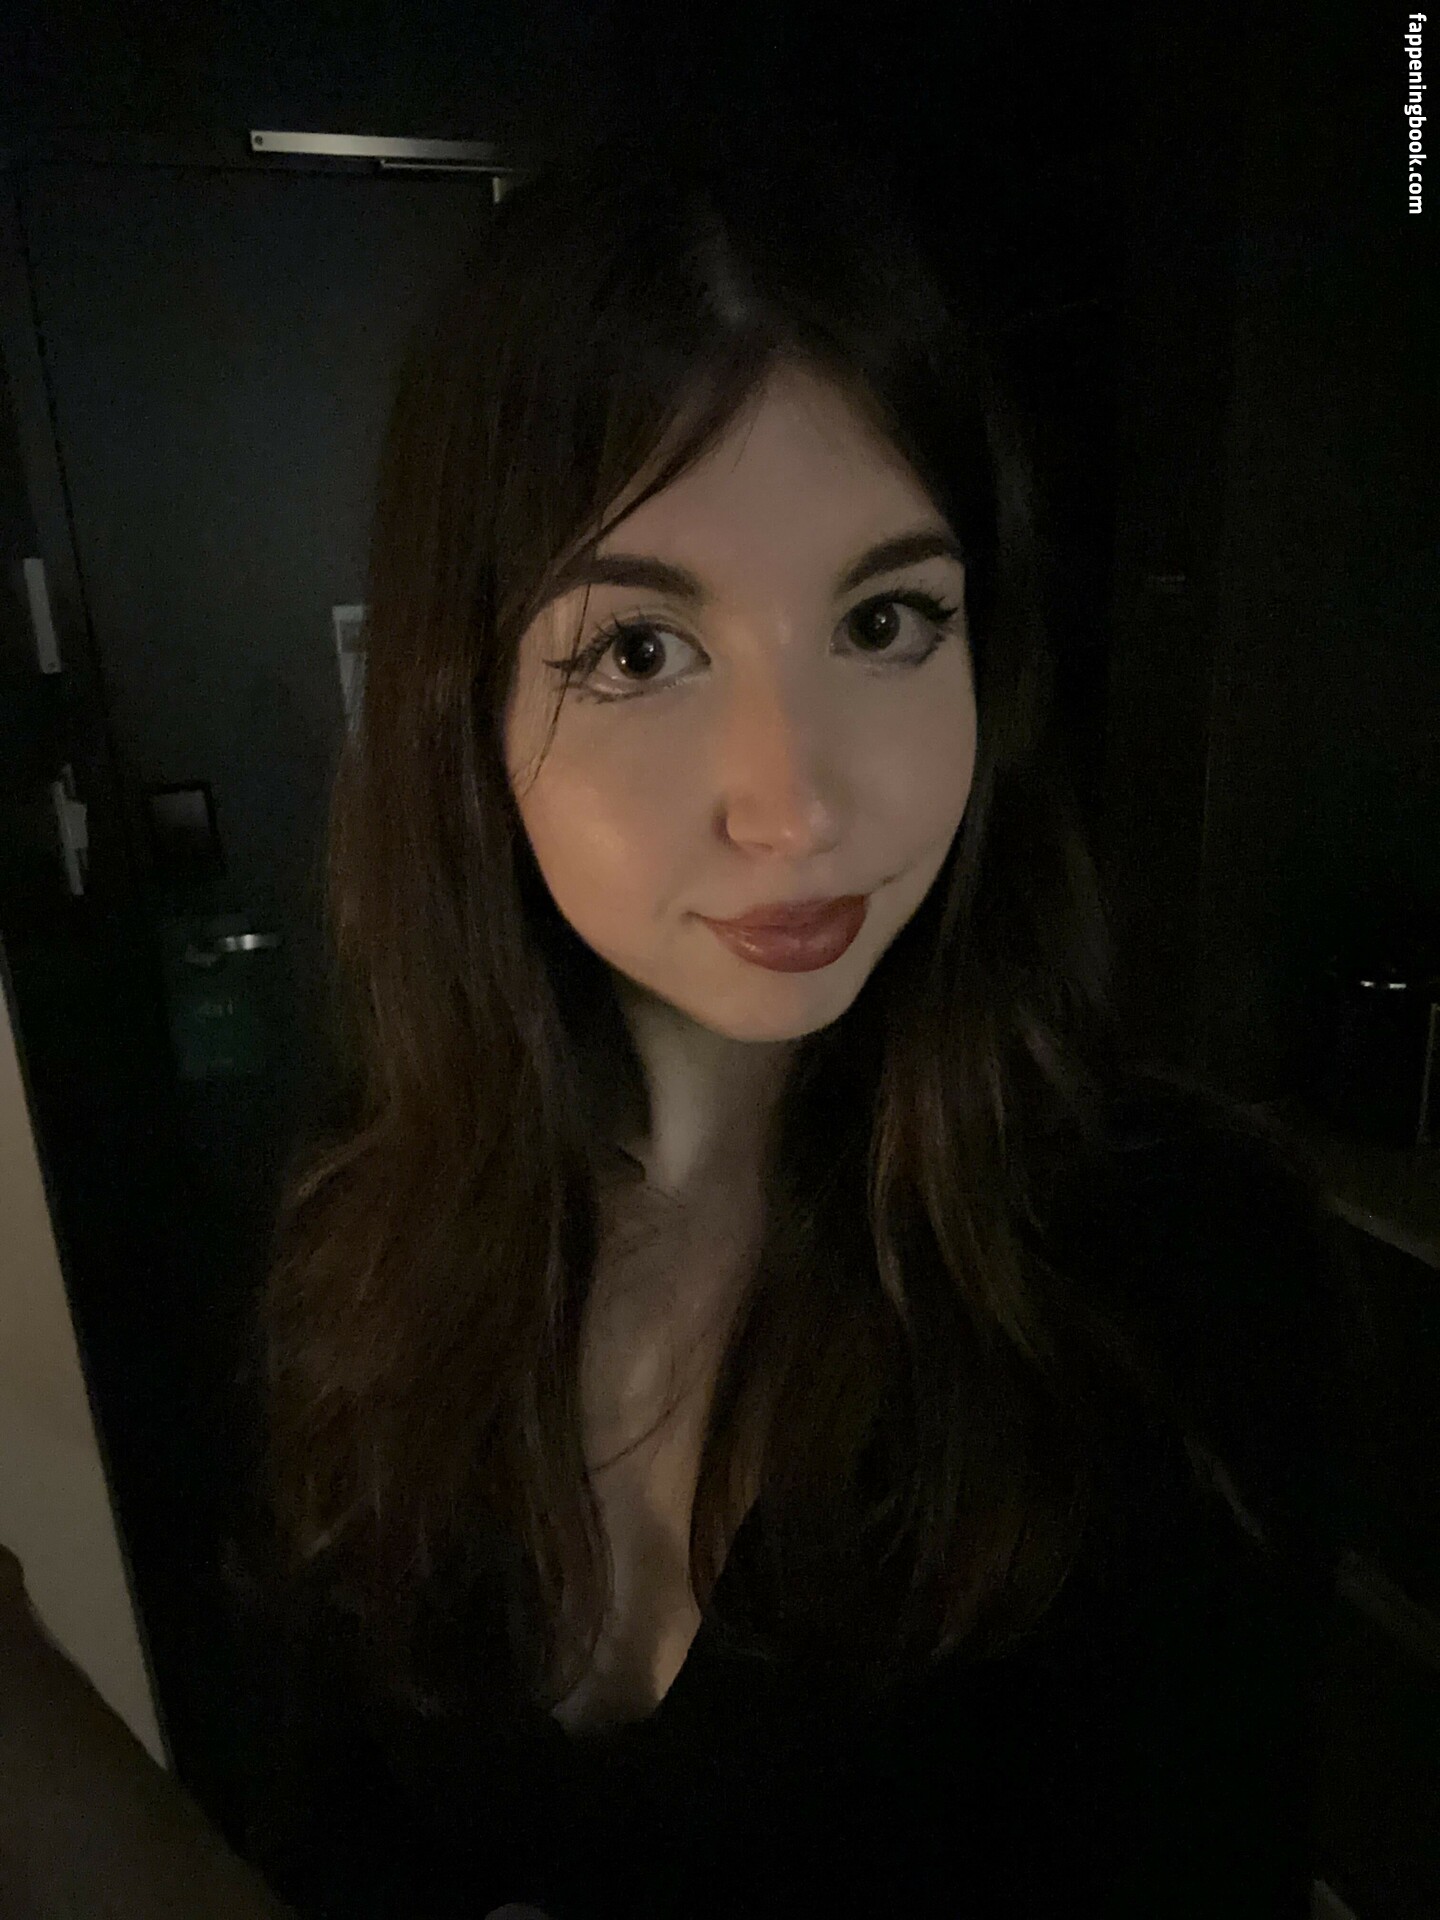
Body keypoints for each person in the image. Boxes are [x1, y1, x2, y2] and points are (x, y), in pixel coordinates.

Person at [1, 108, 1364, 1919]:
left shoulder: (1176, 1273)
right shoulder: (387, 1229)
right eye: (640, 650)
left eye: (886, 622)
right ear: (462, 707)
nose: (796, 803)